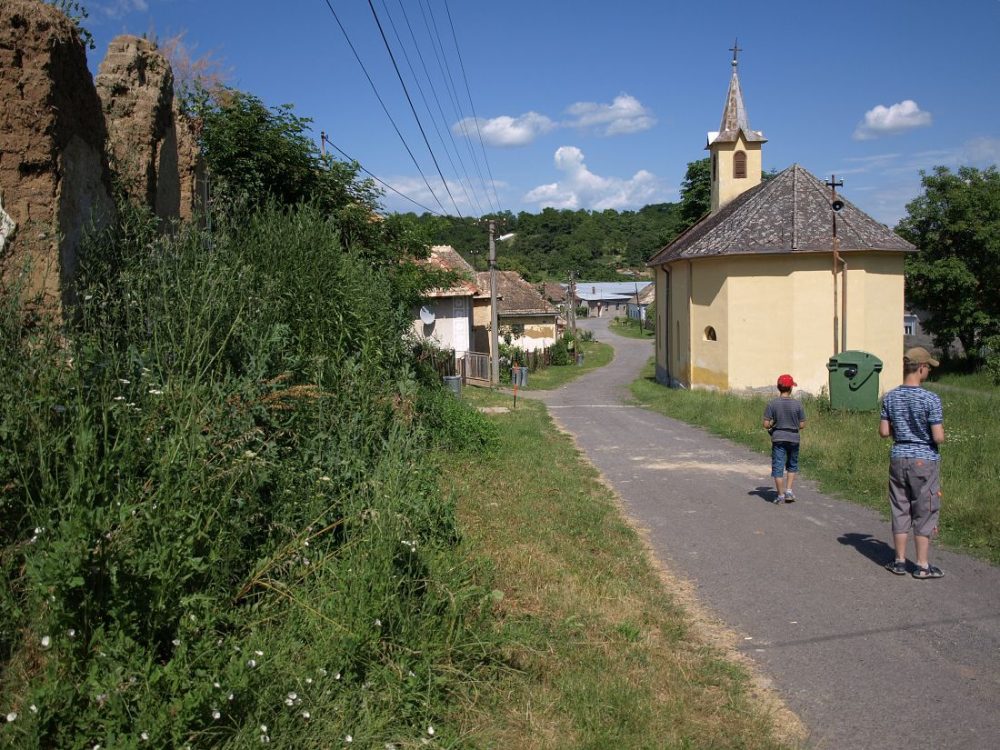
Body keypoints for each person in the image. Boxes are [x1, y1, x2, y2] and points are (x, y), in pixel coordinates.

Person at [879, 347, 946, 579]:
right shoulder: (931, 399)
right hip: (924, 459)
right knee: (924, 509)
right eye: (928, 367)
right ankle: (922, 565)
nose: (928, 371)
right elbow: (938, 436)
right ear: (921, 368)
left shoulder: (890, 397)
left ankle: (899, 561)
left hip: (898, 456)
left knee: (900, 507)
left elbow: (884, 432)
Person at [763, 374, 806, 503]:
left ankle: (780, 495)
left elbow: (766, 424)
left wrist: (773, 424)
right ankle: (789, 491)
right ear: (791, 388)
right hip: (794, 438)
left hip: (778, 439)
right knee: (792, 465)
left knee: (778, 467)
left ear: (778, 387)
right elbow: (802, 425)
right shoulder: (798, 404)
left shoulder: (772, 404)